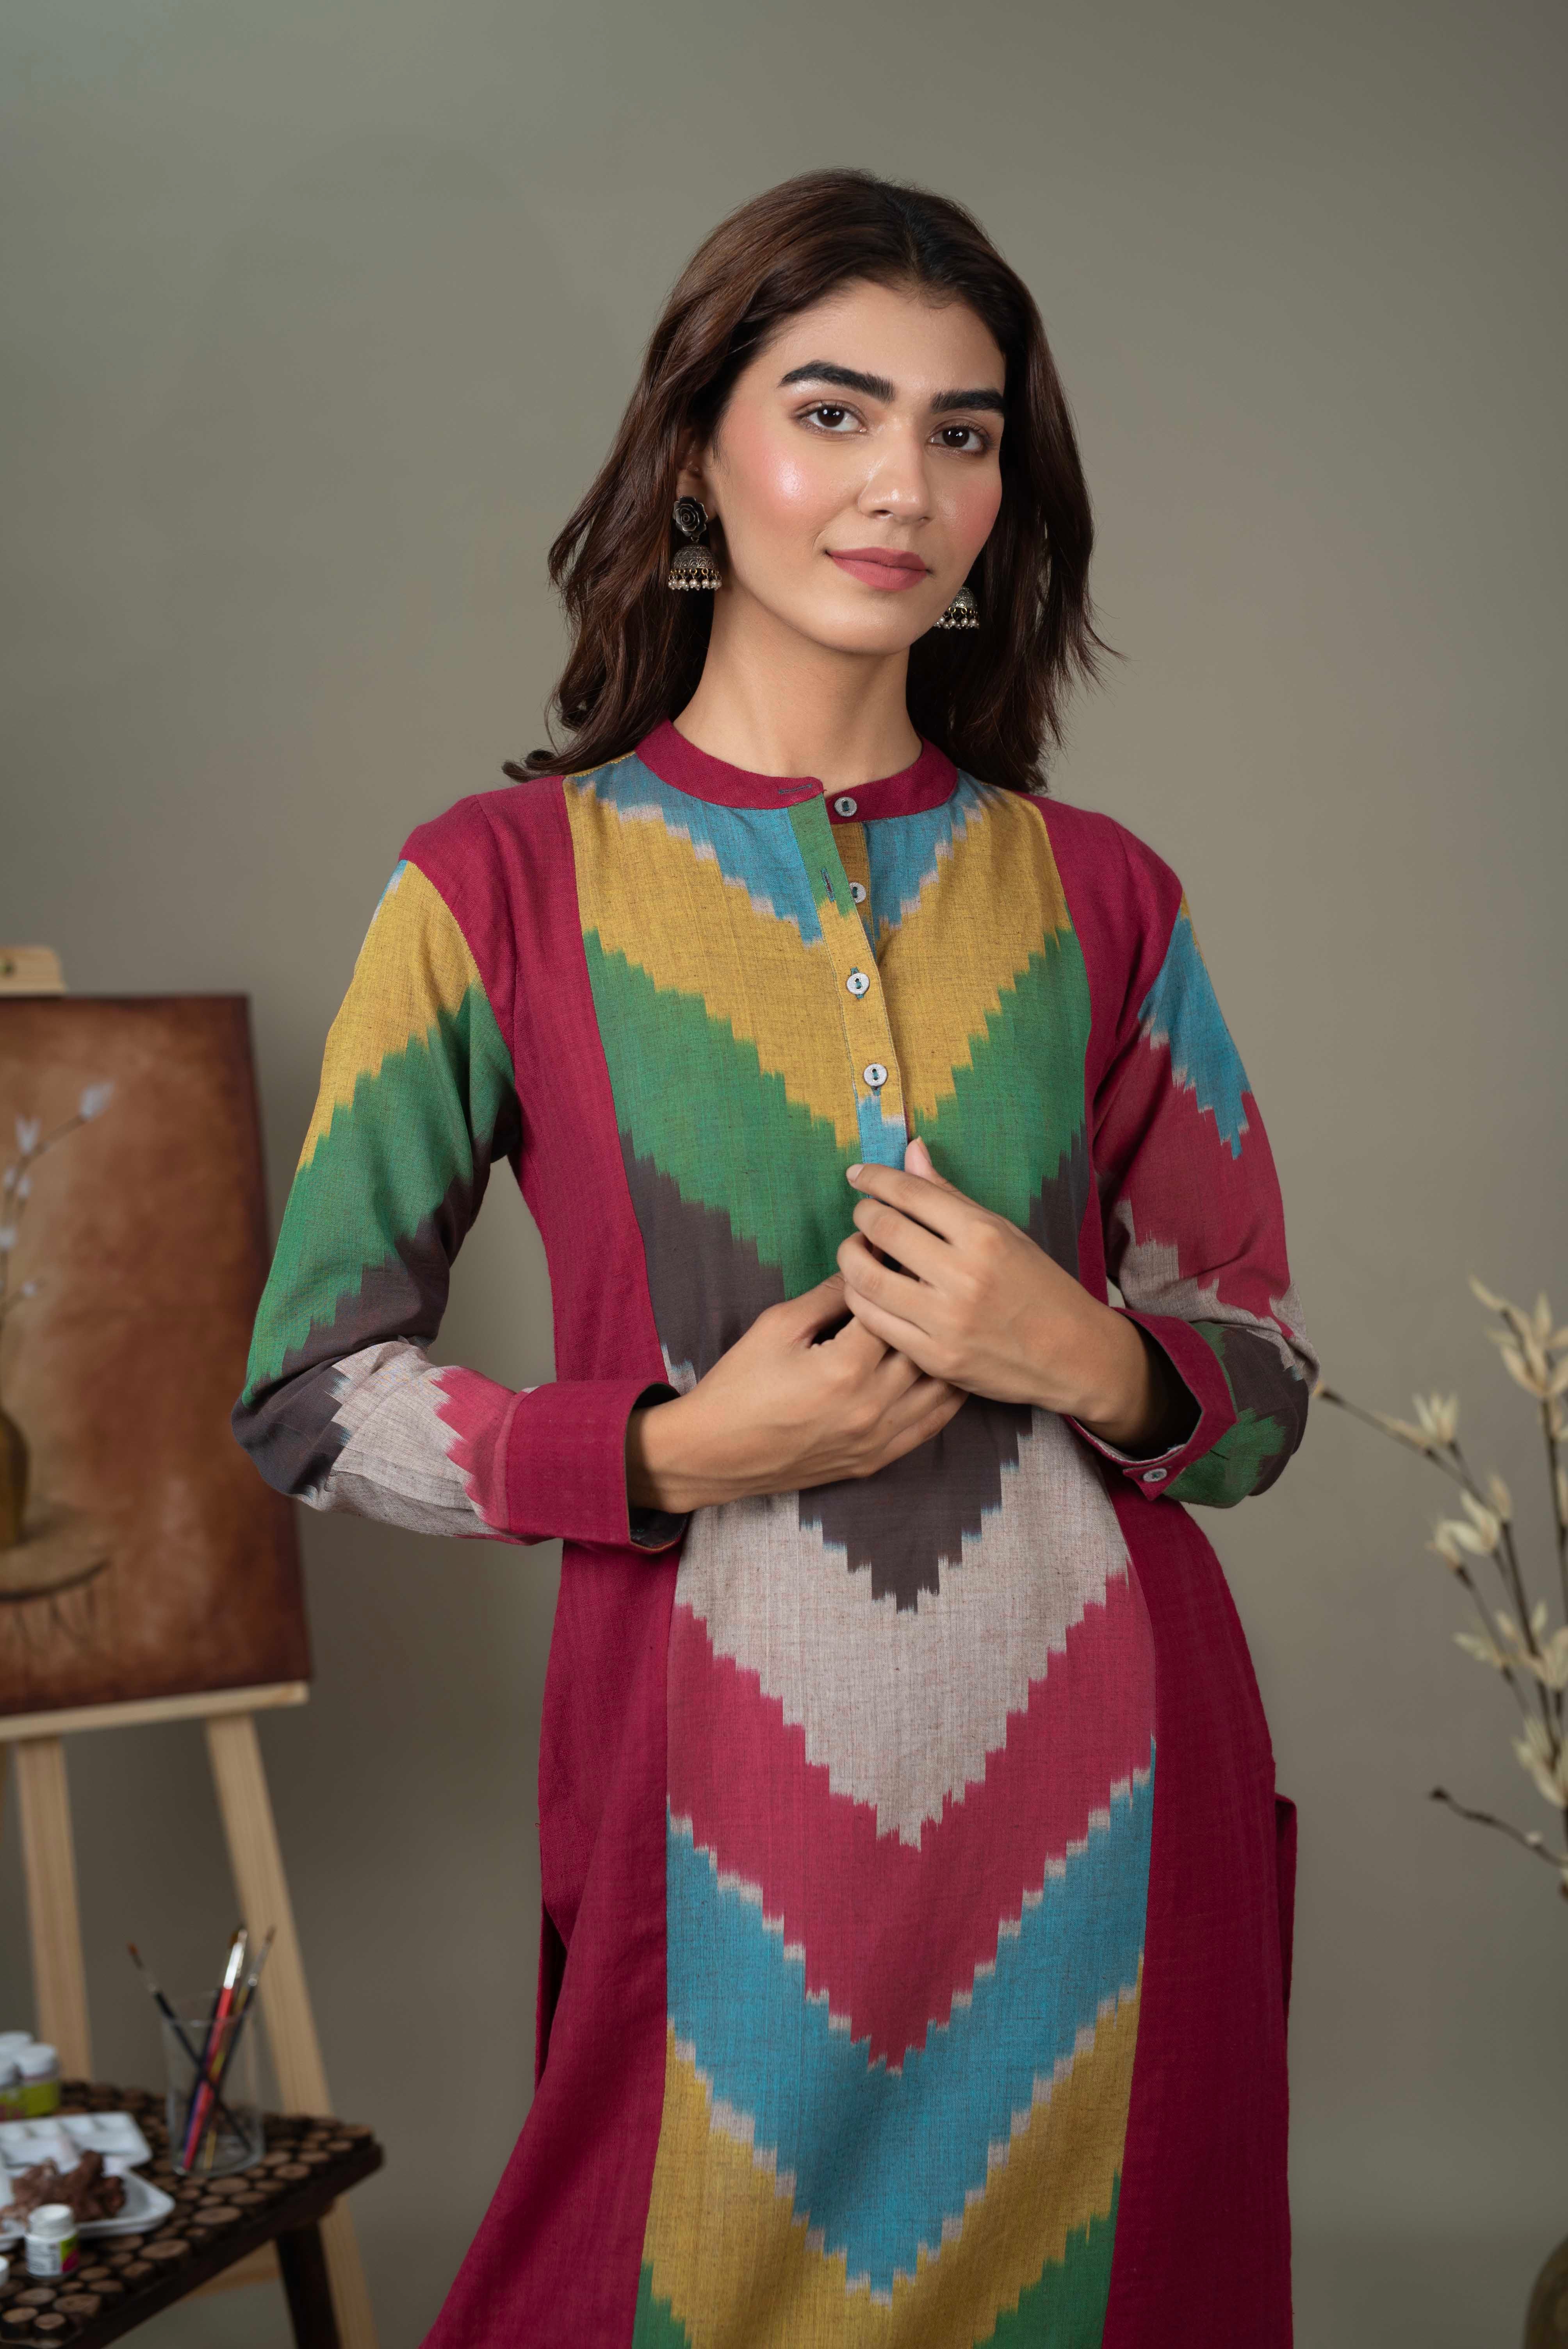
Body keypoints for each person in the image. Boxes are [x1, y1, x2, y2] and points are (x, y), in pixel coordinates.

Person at [234, 168, 1315, 2349]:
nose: (903, 484)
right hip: (719, 1826)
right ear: (696, 456)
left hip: (1110, 1813)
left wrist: (1087, 1352)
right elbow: (310, 1401)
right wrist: (659, 1452)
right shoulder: (499, 890)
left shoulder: (1103, 895)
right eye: (834, 411)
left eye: (962, 431)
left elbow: (1264, 1383)